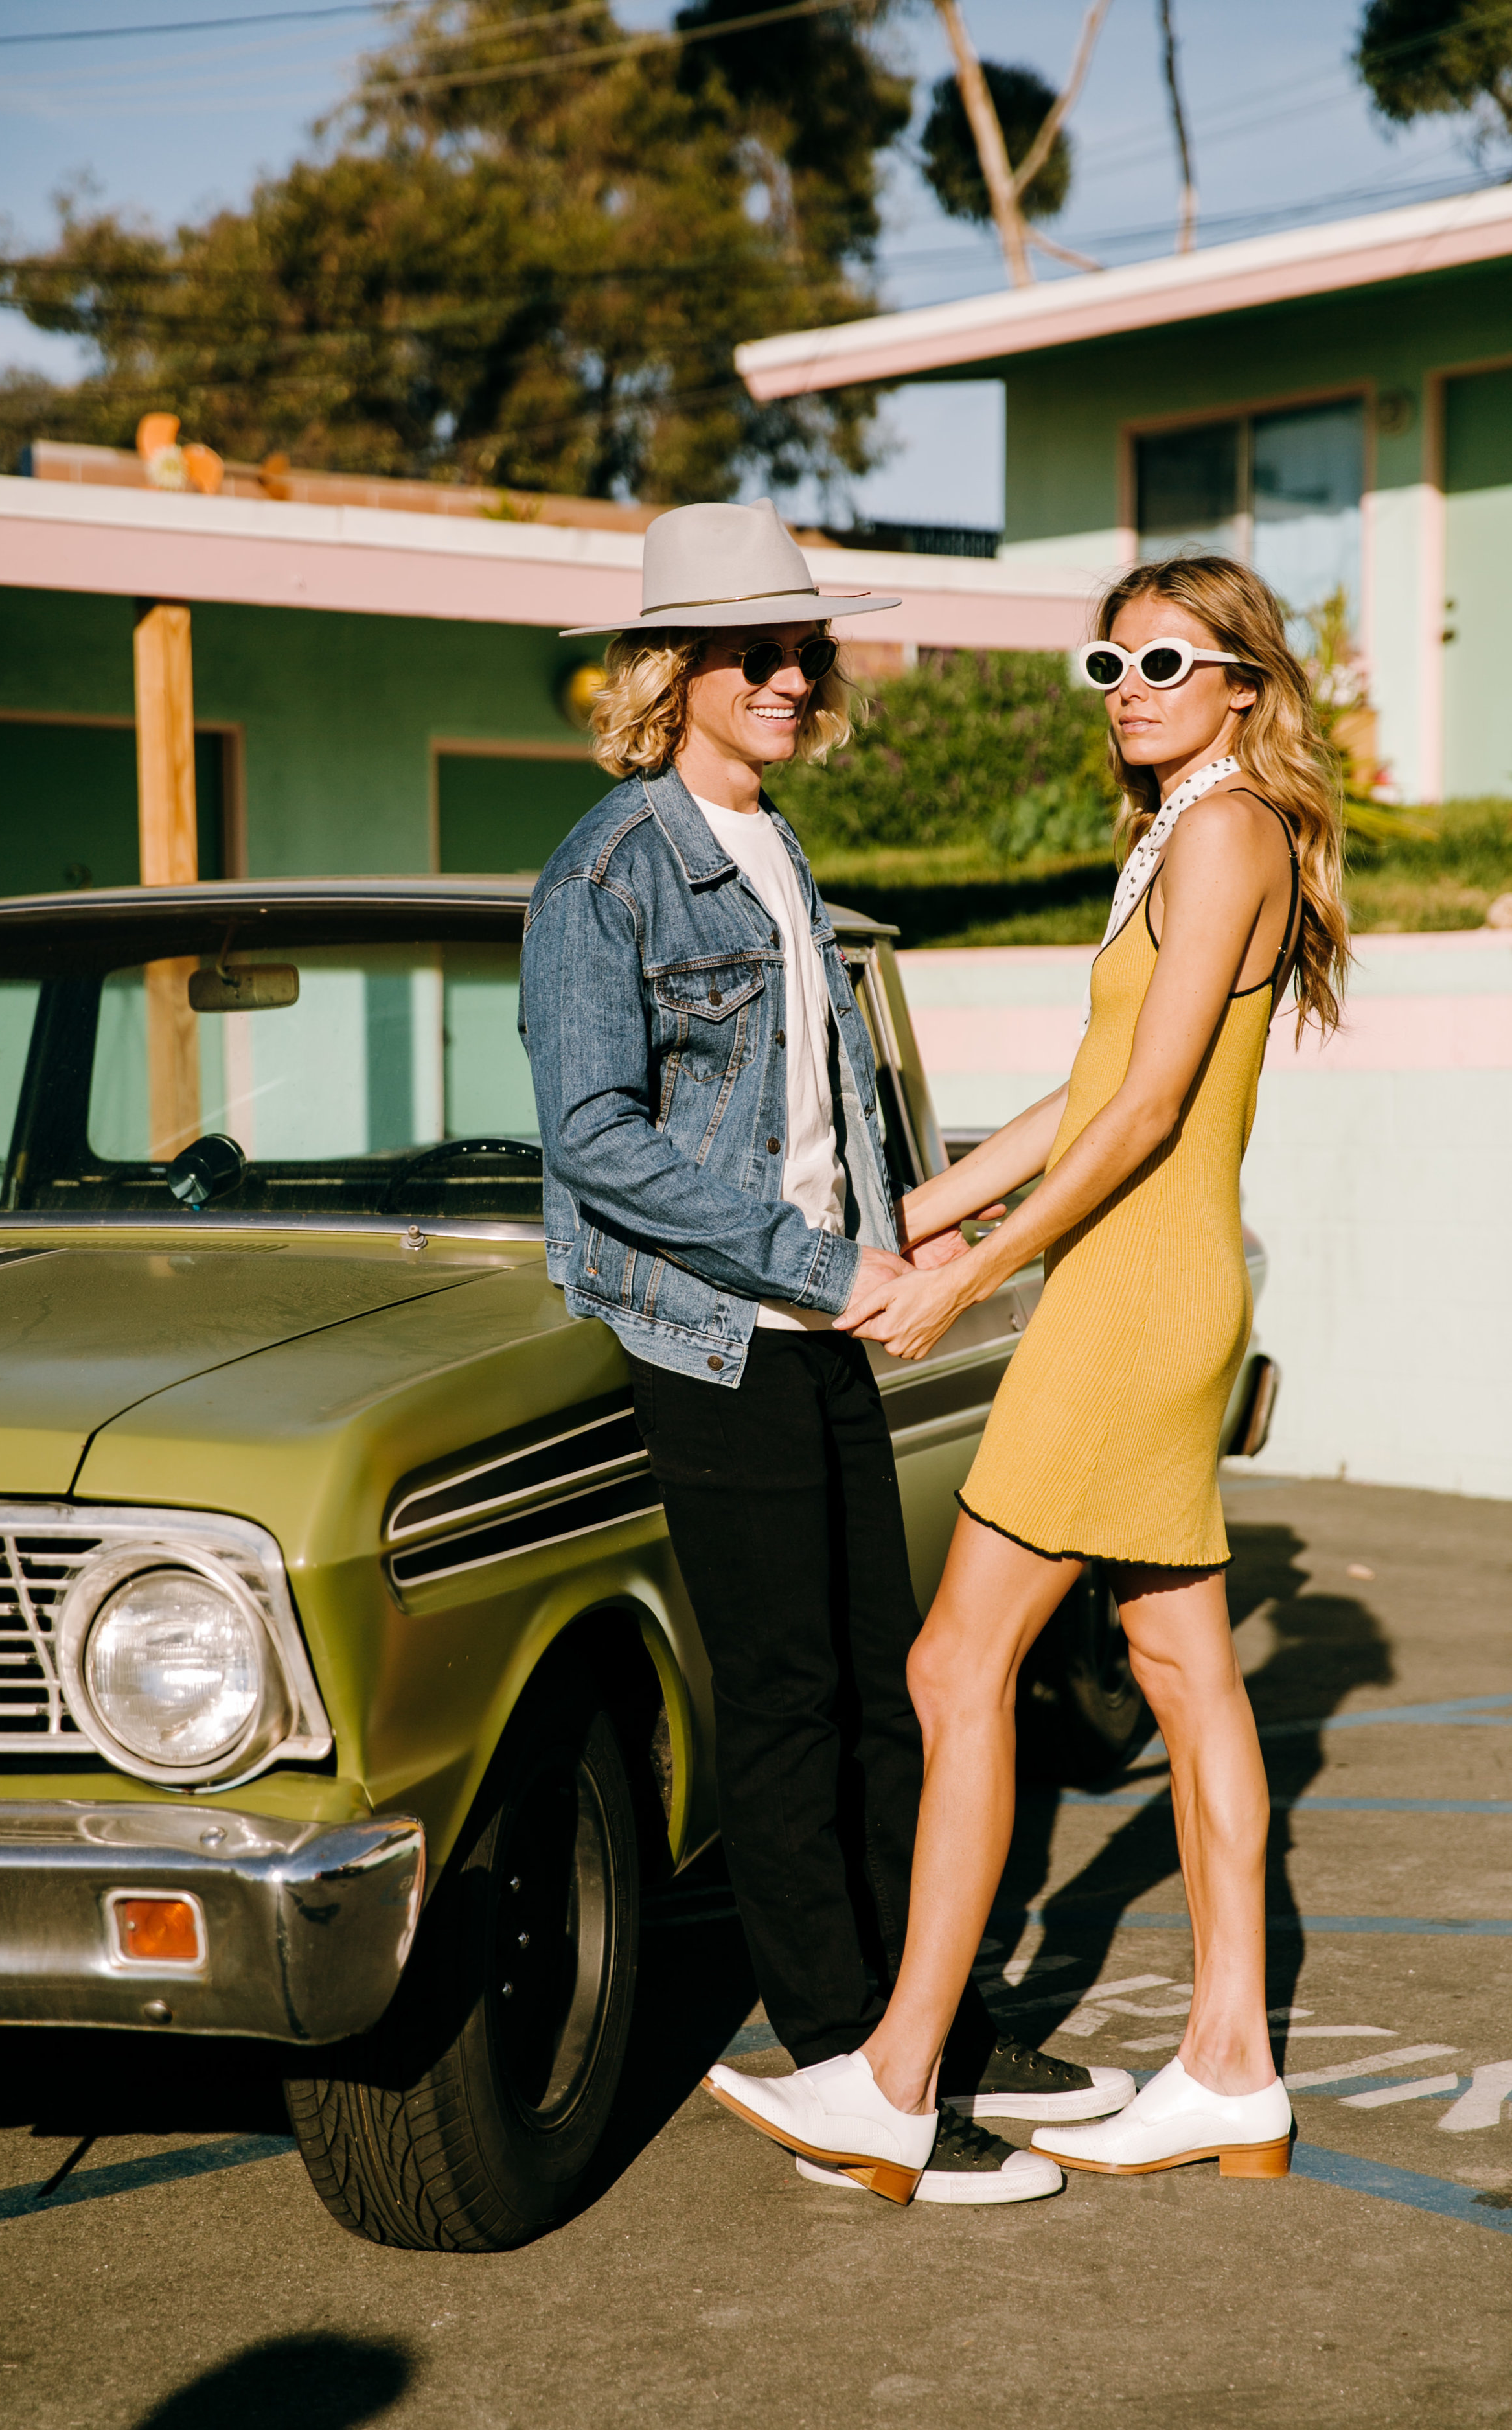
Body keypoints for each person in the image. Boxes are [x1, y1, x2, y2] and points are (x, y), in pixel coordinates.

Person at [706, 553, 1349, 2201]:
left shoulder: (1221, 833)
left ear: (1241, 686)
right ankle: (1227, 2067)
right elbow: (1088, 1093)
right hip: (1142, 1277)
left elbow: (1141, 1116)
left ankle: (898, 2079)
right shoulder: (1183, 834)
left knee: (948, 1666)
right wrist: (905, 1214)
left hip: (1130, 1298)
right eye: (1105, 661)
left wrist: (963, 1279)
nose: (1127, 684)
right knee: (1184, 1670)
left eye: (1163, 658)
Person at [521, 499, 1132, 2208]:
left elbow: (816, 1108)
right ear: (669, 672)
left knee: (896, 1681)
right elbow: (593, 1135)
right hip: (715, 1329)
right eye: (754, 652)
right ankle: (854, 2053)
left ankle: (935, 2015)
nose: (793, 677)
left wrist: (898, 1224)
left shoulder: (776, 848)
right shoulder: (608, 870)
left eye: (806, 649)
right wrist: (820, 1258)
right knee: (789, 1700)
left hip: (822, 1319)